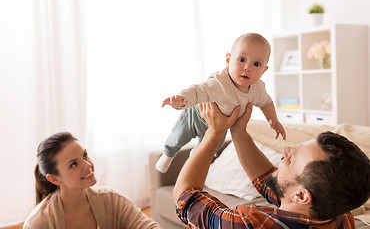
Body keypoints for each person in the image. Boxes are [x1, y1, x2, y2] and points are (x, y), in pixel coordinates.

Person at [173, 102, 370, 228]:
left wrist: (214, 133)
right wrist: (239, 131)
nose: (286, 150)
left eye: (292, 158)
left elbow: (185, 198)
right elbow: (268, 180)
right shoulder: (340, 216)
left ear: (301, 195)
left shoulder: (251, 226)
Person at [156, 33, 286, 173]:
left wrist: (273, 120)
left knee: (211, 152)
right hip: (195, 116)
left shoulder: (258, 89)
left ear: (264, 70)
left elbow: (266, 102)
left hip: (221, 126)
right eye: (242, 59)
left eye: (256, 64)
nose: (248, 67)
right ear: (228, 60)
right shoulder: (219, 83)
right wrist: (181, 99)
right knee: (178, 136)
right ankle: (168, 155)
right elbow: (197, 90)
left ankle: (193, 159)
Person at [23, 132, 161, 229]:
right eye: (73, 164)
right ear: (54, 178)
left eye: (85, 156)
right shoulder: (38, 223)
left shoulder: (111, 198)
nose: (87, 165)